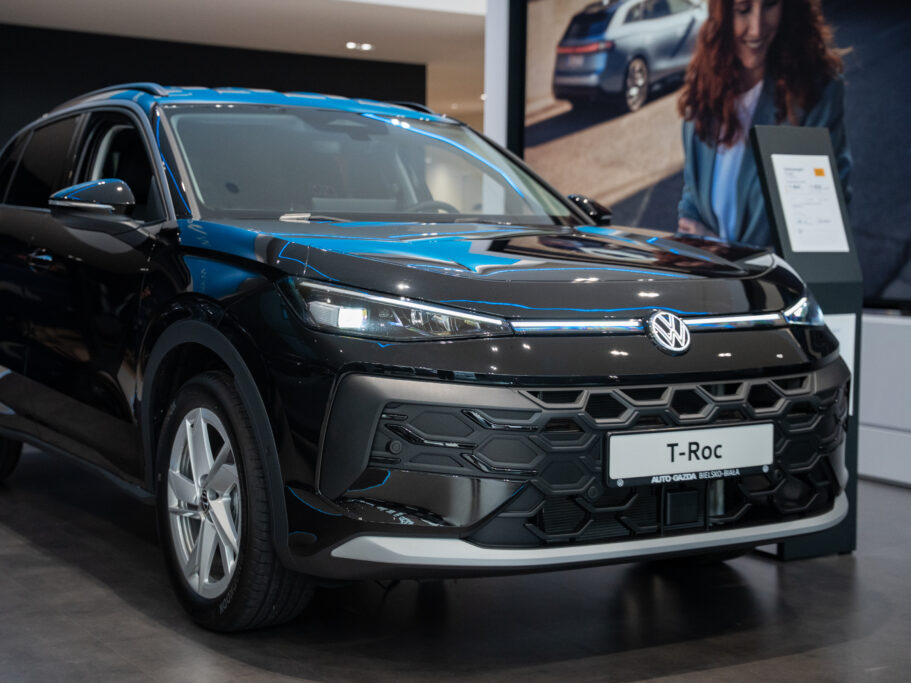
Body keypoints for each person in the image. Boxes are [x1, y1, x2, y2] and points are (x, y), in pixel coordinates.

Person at [677, 0, 851, 246]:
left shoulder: (814, 94)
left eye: (769, 5)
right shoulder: (704, 85)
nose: (757, 29)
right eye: (743, 9)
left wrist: (725, 258)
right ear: (720, 12)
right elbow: (693, 193)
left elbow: (819, 242)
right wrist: (692, 238)